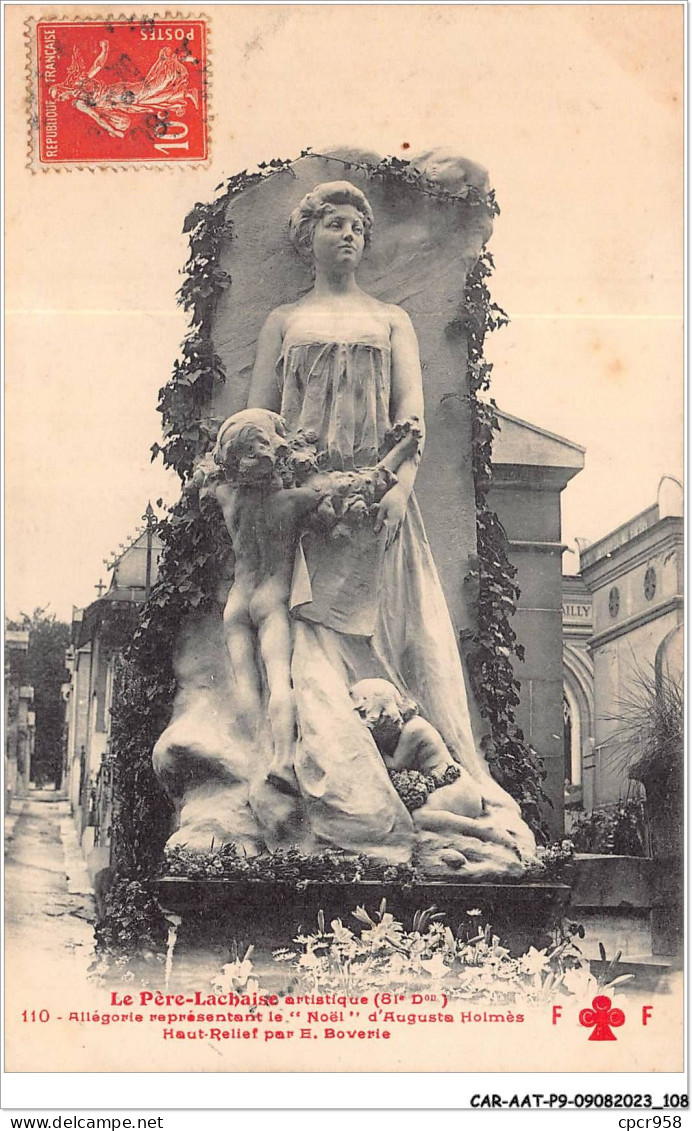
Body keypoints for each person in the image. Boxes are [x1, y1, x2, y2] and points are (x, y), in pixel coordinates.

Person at [244, 180, 537, 874]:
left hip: (378, 516)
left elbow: (412, 416)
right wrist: (289, 493)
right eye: (334, 224)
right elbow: (257, 421)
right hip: (309, 515)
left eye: (357, 226)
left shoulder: (390, 320)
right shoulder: (284, 321)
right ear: (306, 236)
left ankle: (425, 777)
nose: (348, 236)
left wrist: (400, 487)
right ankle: (340, 794)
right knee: (314, 665)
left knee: (404, 649)